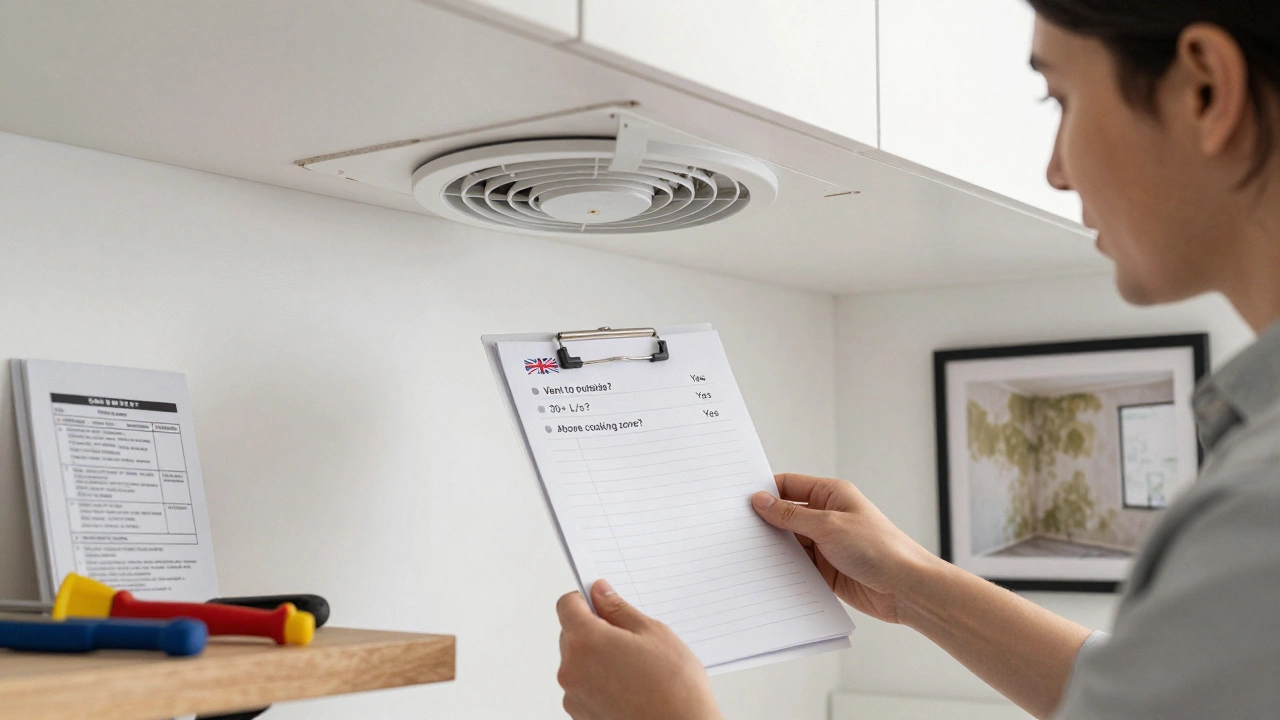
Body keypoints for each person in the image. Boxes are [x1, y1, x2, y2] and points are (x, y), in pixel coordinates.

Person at [554, 1, 1280, 718]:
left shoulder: (1260, 504)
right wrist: (912, 585)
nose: (1056, 170)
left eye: (1061, 98)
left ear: (1205, 89)